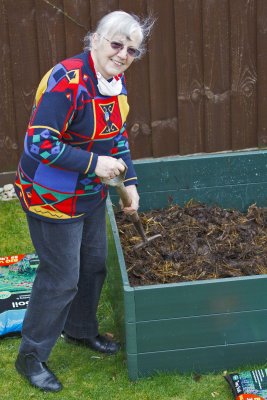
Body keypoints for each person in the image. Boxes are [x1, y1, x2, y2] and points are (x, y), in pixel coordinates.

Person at [14, 10, 154, 392]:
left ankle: (79, 329)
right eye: (116, 44)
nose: (123, 54)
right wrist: (95, 163)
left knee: (92, 266)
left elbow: (117, 138)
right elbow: (39, 142)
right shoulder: (67, 81)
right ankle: (31, 356)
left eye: (131, 50)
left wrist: (131, 182)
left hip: (90, 194)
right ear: (95, 39)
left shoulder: (114, 82)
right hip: (50, 195)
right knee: (61, 278)